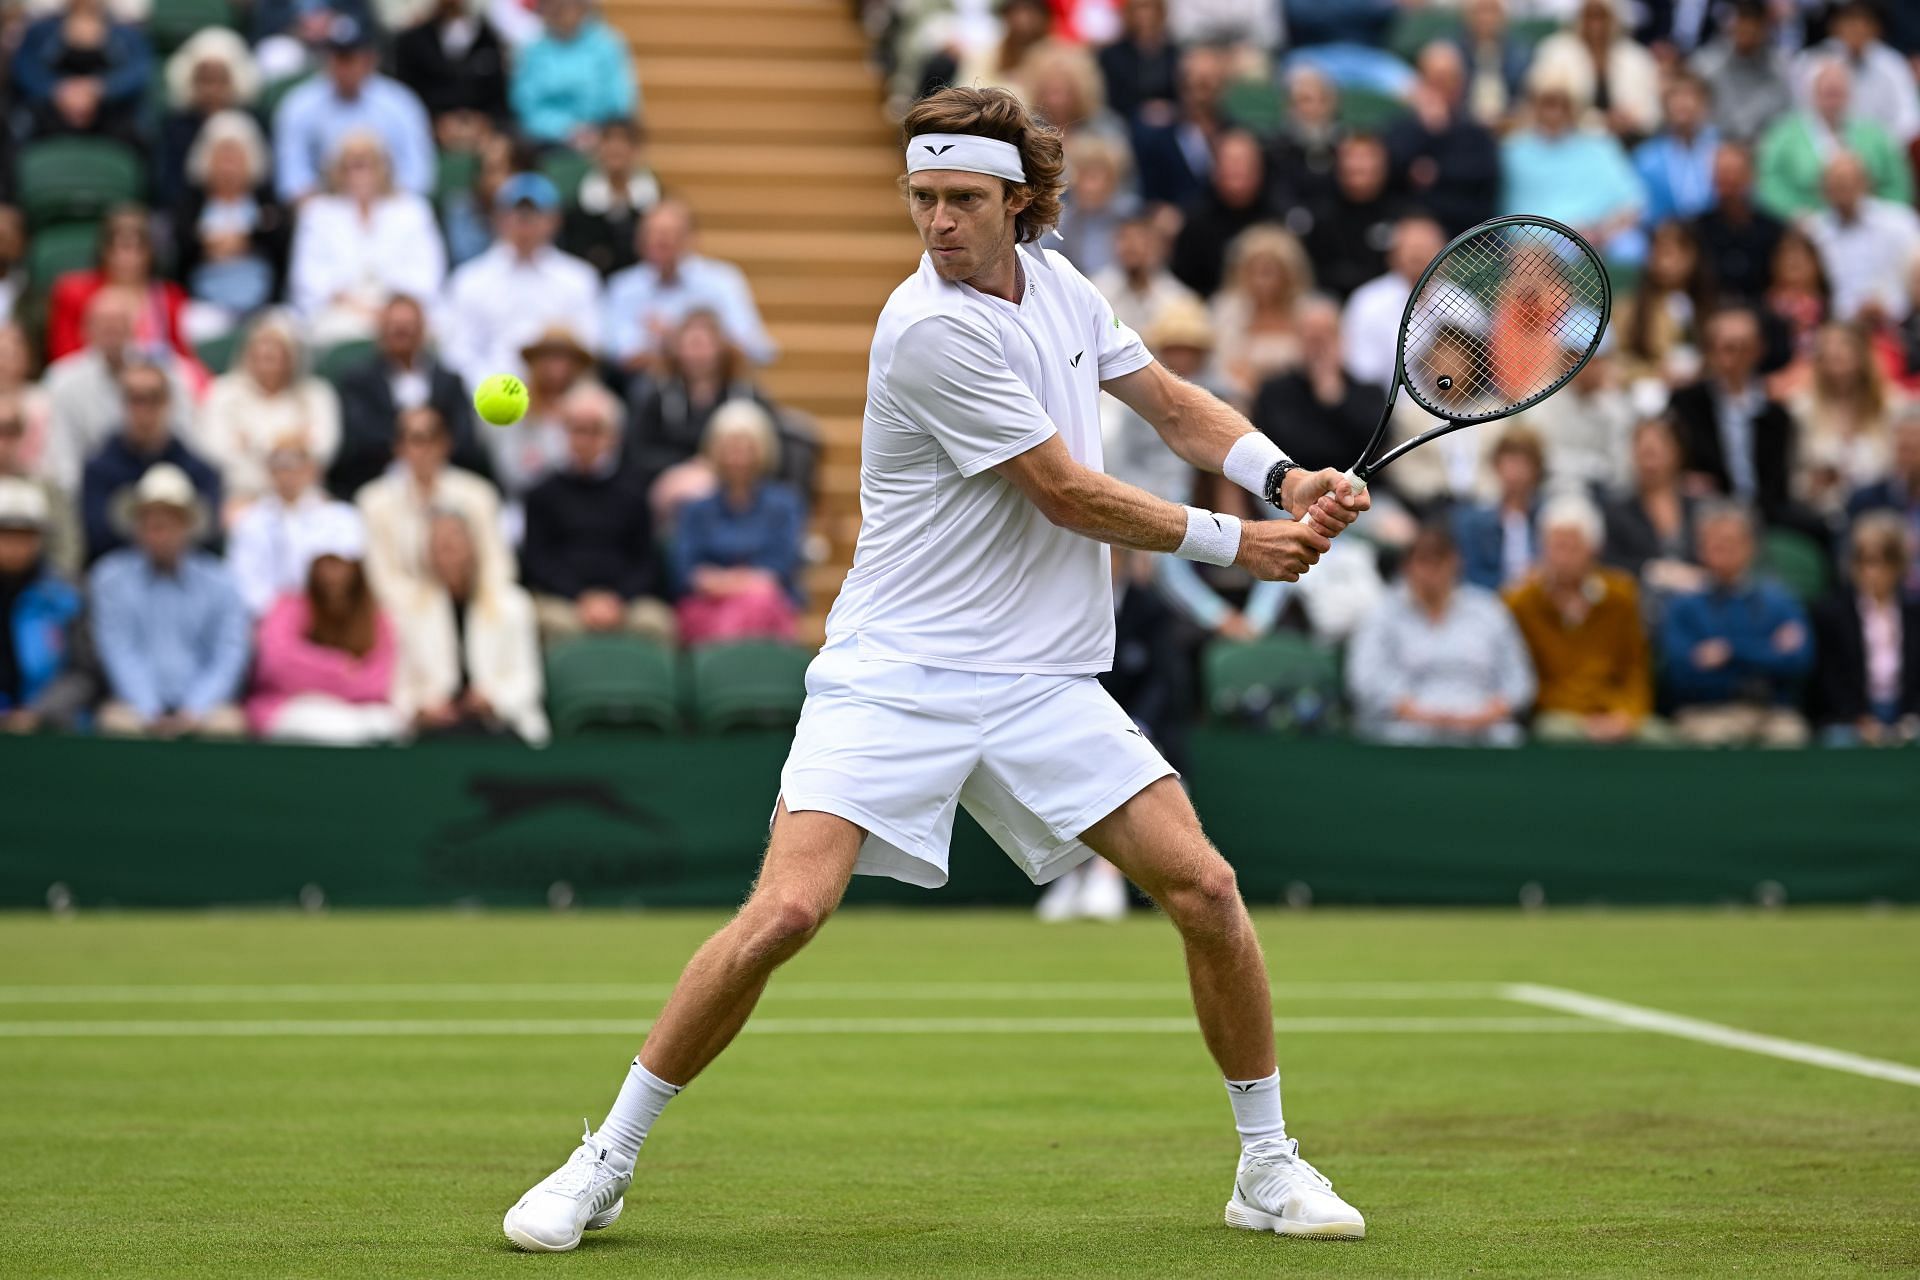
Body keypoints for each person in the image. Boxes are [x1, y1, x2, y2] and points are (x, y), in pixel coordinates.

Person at [500, 84, 1370, 1254]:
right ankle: (603, 1156)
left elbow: (1166, 402)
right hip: (897, 670)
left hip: (1040, 680)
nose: (939, 222)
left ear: (1020, 201)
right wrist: (1235, 544)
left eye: (962, 199)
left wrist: (1281, 478)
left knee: (1206, 888)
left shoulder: (1062, 286)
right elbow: (1067, 490)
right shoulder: (925, 327)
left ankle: (1266, 1163)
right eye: (923, 198)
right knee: (786, 910)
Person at [89, 463, 250, 738]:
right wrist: (149, 709)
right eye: (150, 522)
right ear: (137, 526)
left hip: (205, 710)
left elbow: (228, 655)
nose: (158, 532)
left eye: (169, 522)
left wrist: (194, 710)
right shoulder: (110, 578)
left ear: (188, 526)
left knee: (227, 725)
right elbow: (118, 650)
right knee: (116, 723)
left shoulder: (221, 581)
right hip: (133, 707)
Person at [1345, 521, 1534, 747]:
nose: (1432, 571)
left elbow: (1520, 681)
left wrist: (1488, 714)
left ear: (1457, 563)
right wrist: (1413, 712)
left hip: (1482, 732)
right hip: (1404, 733)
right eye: (1424, 561)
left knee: (1509, 738)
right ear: (1407, 566)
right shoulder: (1381, 614)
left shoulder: (1490, 611)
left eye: (1440, 561)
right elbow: (1364, 679)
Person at [522, 382, 672, 643]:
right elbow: (537, 560)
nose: (586, 440)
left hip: (624, 601)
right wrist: (580, 598)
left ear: (613, 436)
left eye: (596, 430)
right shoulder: (542, 493)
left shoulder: (634, 492)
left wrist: (618, 600)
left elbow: (647, 561)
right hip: (563, 600)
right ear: (565, 432)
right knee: (553, 624)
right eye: (578, 429)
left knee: (655, 623)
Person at [1503, 494, 1656, 743]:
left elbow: (1635, 669)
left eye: (1572, 547)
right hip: (1555, 716)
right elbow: (1523, 681)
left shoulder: (1621, 596)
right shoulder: (1520, 602)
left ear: (1594, 550)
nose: (1562, 558)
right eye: (1556, 546)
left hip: (1615, 711)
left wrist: (1627, 715)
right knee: (1555, 731)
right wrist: (1584, 720)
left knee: (1660, 737)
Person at [1660, 502, 1812, 746]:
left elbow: (1798, 661)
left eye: (1732, 540)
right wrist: (1765, 652)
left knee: (1789, 737)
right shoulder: (1683, 606)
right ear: (1701, 548)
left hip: (1770, 712)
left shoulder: (1780, 601)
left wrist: (1729, 651)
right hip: (1706, 713)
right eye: (1715, 541)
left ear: (1750, 546)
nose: (1723, 548)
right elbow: (1683, 674)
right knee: (1713, 739)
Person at [247, 505, 401, 744]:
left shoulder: (375, 616)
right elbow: (275, 664)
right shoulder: (287, 606)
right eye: (325, 563)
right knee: (337, 729)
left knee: (387, 725)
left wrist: (316, 676)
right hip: (289, 707)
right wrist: (341, 669)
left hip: (357, 711)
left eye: (339, 563)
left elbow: (379, 681)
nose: (332, 573)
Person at [437, 172, 603, 394]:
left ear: (554, 220)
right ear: (498, 218)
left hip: (562, 399)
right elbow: (458, 352)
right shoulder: (469, 280)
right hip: (490, 403)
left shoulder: (579, 279)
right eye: (517, 213)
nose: (524, 223)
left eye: (534, 214)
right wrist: (494, 391)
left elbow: (589, 344)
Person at [392, 508, 548, 743]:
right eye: (439, 542)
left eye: (455, 538)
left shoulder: (512, 604)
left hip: (500, 725)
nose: (448, 549)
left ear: (473, 545)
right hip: (435, 730)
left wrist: (492, 700)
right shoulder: (409, 611)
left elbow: (528, 681)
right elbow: (401, 685)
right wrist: (424, 708)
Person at [288, 131, 448, 345]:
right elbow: (310, 279)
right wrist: (361, 309)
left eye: (367, 163)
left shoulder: (413, 209)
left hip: (403, 311)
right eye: (352, 165)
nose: (360, 173)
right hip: (340, 313)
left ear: (384, 167)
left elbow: (427, 273)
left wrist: (390, 309)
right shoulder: (318, 213)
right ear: (338, 170)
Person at [330, 295, 493, 498]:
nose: (401, 332)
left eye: (408, 325)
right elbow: (359, 438)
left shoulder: (449, 381)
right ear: (380, 331)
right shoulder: (358, 381)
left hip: (445, 477)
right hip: (379, 479)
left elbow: (465, 437)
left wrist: (431, 454)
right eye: (394, 326)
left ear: (423, 330)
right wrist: (413, 442)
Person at [669, 402, 805, 646]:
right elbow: (686, 569)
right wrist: (736, 583)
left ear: (762, 451)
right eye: (730, 449)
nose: (737, 459)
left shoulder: (784, 505)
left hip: (766, 605)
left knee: (758, 605)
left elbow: (781, 567)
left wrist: (726, 582)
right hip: (707, 605)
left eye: (746, 449)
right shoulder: (696, 508)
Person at [356, 405, 513, 613]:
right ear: (399, 447)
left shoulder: (478, 494)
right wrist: (431, 607)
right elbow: (381, 578)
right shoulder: (374, 501)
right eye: (417, 439)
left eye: (434, 438)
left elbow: (498, 563)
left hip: (473, 603)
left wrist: (477, 600)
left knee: (513, 605)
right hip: (408, 609)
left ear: (447, 443)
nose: (426, 448)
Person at [626, 310, 783, 517]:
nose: (698, 354)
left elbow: (769, 448)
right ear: (677, 349)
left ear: (721, 348)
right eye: (691, 345)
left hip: (738, 484)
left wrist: (718, 467)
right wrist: (687, 466)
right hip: (673, 489)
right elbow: (638, 451)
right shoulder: (658, 396)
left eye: (704, 345)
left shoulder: (746, 395)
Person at [272, 16, 434, 204]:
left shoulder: (400, 103)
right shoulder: (299, 104)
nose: (344, 68)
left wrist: (386, 207)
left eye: (351, 59)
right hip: (324, 207)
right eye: (338, 58)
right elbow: (292, 176)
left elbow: (418, 173)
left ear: (370, 60)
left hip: (389, 207)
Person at [601, 198, 775, 372]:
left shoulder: (722, 281)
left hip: (716, 382)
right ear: (639, 241)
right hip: (645, 385)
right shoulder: (623, 287)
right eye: (652, 235)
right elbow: (614, 351)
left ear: (691, 238)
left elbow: (757, 349)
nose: (660, 241)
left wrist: (677, 339)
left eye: (669, 234)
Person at [42, 290, 190, 491]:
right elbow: (62, 456)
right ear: (86, 329)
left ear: (133, 327)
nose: (111, 329)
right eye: (103, 322)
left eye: (118, 322)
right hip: (92, 491)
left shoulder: (166, 371)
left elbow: (186, 436)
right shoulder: (62, 381)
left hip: (161, 489)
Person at [196, 311, 342, 510]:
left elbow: (322, 451)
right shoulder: (223, 392)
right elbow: (217, 452)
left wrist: (251, 445)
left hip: (305, 496)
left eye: (275, 353)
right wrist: (291, 445)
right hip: (243, 495)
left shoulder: (316, 394)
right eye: (260, 352)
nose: (267, 360)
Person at [80, 361, 220, 564]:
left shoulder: (199, 471)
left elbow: (208, 534)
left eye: (154, 398)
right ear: (123, 404)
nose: (144, 410)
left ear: (168, 402)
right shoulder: (99, 470)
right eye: (136, 399)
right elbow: (98, 538)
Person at [1500, 78, 1647, 270]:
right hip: (1536, 248)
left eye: (1562, 105)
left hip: (1602, 238)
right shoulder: (1513, 151)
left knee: (1631, 247)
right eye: (1548, 104)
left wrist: (1603, 231)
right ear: (1535, 107)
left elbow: (1633, 202)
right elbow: (1510, 217)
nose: (1554, 113)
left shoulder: (1601, 147)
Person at [1667, 306, 1795, 520]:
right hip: (1705, 513)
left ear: (1759, 350)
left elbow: (1778, 484)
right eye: (1727, 348)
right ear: (1710, 351)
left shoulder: (1776, 414)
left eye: (1744, 348)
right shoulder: (1686, 403)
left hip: (1766, 515)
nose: (1735, 358)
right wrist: (1681, 479)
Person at [172, 110, 291, 326]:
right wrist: (206, 245)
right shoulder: (191, 205)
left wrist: (246, 241)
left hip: (262, 305)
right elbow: (181, 248)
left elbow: (280, 243)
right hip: (204, 305)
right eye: (222, 156)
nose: (228, 165)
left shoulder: (267, 202)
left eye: (235, 156)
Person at [1811, 512, 1920, 746]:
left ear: (1899, 563)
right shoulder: (1832, 614)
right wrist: (1858, 717)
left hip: (1906, 716)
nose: (1875, 571)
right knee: (1838, 740)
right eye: (1866, 560)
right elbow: (1828, 678)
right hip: (1851, 719)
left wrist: (1910, 717)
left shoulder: (1914, 613)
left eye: (1885, 560)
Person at [1755, 58, 1910, 220]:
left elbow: (1897, 183)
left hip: (1871, 223)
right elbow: (1768, 181)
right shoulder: (1783, 134)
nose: (1833, 101)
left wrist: (1881, 216)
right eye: (1827, 93)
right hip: (1806, 225)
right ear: (1811, 93)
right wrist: (1797, 215)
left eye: (1838, 92)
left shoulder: (1875, 134)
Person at [1250, 295, 1384, 477]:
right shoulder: (1274, 392)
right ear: (1298, 340)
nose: (1318, 349)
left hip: (1359, 487)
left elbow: (1374, 446)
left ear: (1341, 339)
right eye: (1311, 339)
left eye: (1324, 338)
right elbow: (1290, 446)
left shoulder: (1369, 391)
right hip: (1291, 489)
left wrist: (1334, 397)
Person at [227, 439, 362, 616]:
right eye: (281, 465)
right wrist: (282, 615)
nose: (288, 474)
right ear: (269, 471)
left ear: (313, 469)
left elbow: (347, 576)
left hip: (329, 617)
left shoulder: (342, 518)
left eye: (296, 464)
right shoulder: (250, 521)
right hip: (267, 619)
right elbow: (243, 580)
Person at [45, 208, 194, 366]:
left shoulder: (170, 298)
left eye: (137, 248)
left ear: (151, 253)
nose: (127, 258)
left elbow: (181, 357)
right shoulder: (72, 293)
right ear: (104, 251)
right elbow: (64, 355)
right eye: (120, 248)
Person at [1384, 43, 1499, 236]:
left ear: (1461, 84)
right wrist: (1426, 131)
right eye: (1435, 80)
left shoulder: (1478, 135)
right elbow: (1391, 174)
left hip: (1462, 236)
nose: (1442, 89)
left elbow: (1480, 186)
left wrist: (1437, 171)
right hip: (1407, 232)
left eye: (1449, 80)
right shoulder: (1400, 129)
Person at [1791, 321, 1902, 521]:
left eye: (1844, 344)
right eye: (1827, 346)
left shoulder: (1894, 407)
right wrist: (1814, 483)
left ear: (1862, 354)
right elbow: (1791, 480)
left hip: (1881, 516)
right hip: (1822, 517)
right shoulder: (1800, 410)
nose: (1835, 352)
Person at [0, 477, 84, 734]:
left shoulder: (64, 595)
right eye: (7, 534)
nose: (15, 546)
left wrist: (40, 710)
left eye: (25, 535)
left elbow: (83, 673)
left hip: (50, 727)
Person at [1801, 151, 1920, 327]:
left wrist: (1891, 309)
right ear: (1823, 189)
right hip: (1836, 328)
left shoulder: (1900, 222)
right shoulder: (1813, 231)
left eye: (1850, 182)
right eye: (1837, 184)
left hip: (1898, 324)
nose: (1844, 189)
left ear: (1866, 182)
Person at [10, 0, 151, 147]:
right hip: (51, 112)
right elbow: (25, 69)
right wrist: (59, 90)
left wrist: (99, 89)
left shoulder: (127, 34)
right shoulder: (40, 31)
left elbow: (138, 72)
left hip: (108, 115)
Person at [1603, 416, 1708, 603]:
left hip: (1696, 602)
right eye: (1643, 453)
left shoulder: (1699, 507)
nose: (1649, 463)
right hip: (1641, 602)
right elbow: (1609, 564)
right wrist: (1652, 570)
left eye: (1655, 453)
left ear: (1676, 453)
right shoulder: (1617, 510)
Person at [156, 28, 261, 213]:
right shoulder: (176, 127)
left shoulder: (253, 122)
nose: (212, 90)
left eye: (220, 80)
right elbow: (168, 187)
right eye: (205, 80)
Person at [1789, 0, 1920, 147]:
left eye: (1864, 22)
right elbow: (1800, 116)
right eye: (1850, 22)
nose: (1857, 29)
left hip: (1881, 152)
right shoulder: (1810, 61)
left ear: (1877, 28)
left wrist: (1877, 147)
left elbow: (1909, 120)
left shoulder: (1893, 65)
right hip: (1823, 152)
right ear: (1835, 26)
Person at [510, 0, 637, 148]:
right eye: (554, 4)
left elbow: (620, 102)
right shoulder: (531, 49)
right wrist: (565, 130)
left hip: (599, 142)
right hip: (543, 145)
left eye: (571, 3)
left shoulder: (608, 45)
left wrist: (594, 132)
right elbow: (525, 106)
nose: (564, 8)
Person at [1340, 216, 1446, 390]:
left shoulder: (1462, 303)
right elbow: (1361, 373)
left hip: (1451, 413)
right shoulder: (1367, 302)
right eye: (1411, 249)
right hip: (1382, 410)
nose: (1418, 255)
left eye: (1425, 248)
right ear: (1393, 255)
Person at [1527, 0, 1662, 137]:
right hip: (1572, 138)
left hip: (1629, 137)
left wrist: (1630, 119)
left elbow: (1651, 111)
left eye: (1601, 17)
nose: (1596, 25)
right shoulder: (1555, 51)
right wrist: (1600, 122)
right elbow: (1548, 102)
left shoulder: (1636, 57)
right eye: (1590, 17)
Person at [488, 324, 590, 501]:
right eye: (548, 357)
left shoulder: (592, 407)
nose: (556, 367)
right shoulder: (515, 409)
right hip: (527, 502)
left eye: (563, 358)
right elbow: (511, 471)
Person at [1298, 134, 1402, 304]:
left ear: (1382, 165)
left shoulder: (1401, 216)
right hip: (1328, 304)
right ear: (1339, 165)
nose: (1359, 165)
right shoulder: (1320, 214)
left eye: (1367, 158)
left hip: (1387, 305)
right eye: (1353, 158)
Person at [1168, 130, 1272, 300]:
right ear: (1215, 170)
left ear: (1259, 169)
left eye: (1243, 163)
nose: (1237, 170)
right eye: (1230, 163)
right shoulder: (1195, 220)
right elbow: (1183, 285)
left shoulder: (1276, 217)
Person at [393, 0, 511, 149]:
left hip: (483, 137)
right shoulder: (411, 43)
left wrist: (484, 121)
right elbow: (405, 98)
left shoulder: (488, 38)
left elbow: (499, 99)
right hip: (428, 137)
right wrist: (436, 122)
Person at [1210, 225, 1310, 400]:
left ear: (1288, 274)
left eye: (1267, 272)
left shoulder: (1309, 312)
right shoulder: (1225, 311)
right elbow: (1217, 365)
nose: (1259, 281)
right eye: (1251, 272)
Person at [560, 118, 661, 279]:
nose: (616, 149)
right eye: (608, 141)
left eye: (624, 141)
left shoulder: (659, 205)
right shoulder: (576, 209)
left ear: (637, 150)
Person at [1452, 426, 1547, 591]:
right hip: (1488, 604)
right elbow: (1470, 576)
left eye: (1524, 463)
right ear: (1496, 465)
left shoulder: (1548, 517)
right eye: (1510, 462)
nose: (1517, 472)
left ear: (1537, 469)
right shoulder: (1472, 520)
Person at [1690, 142, 1783, 305]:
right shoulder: (1696, 229)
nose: (1728, 180)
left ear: (1750, 176)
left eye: (1734, 173)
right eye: (1722, 173)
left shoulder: (1774, 231)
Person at [1689, 0, 1792, 146]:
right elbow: (1698, 118)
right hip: (1716, 148)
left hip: (1762, 149)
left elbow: (1784, 120)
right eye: (1743, 23)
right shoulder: (1706, 65)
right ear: (1732, 25)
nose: (1748, 32)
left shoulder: (1779, 70)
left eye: (1755, 26)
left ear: (1765, 29)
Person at [0, 396, 79, 581]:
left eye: (10, 430)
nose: (2, 440)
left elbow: (68, 551)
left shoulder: (48, 490)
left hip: (39, 594)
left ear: (22, 434)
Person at [1633, 73, 1720, 229]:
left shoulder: (1721, 149)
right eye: (1675, 96)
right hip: (1665, 232)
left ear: (1705, 105)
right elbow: (1643, 209)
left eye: (1691, 96)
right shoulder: (1647, 157)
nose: (1683, 103)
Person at [1091, 214, 1199, 338]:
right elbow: (1109, 326)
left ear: (1159, 248)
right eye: (1124, 239)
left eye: (1141, 240)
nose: (1131, 246)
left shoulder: (1178, 300)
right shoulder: (1098, 290)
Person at [1097, 0, 1180, 122]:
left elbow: (1180, 95)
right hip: (1126, 121)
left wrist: (1168, 109)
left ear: (1161, 13)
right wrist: (1144, 110)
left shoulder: (1174, 53)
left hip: (1169, 120)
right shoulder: (1111, 55)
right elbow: (1111, 99)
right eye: (1138, 8)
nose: (1145, 15)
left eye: (1150, 8)